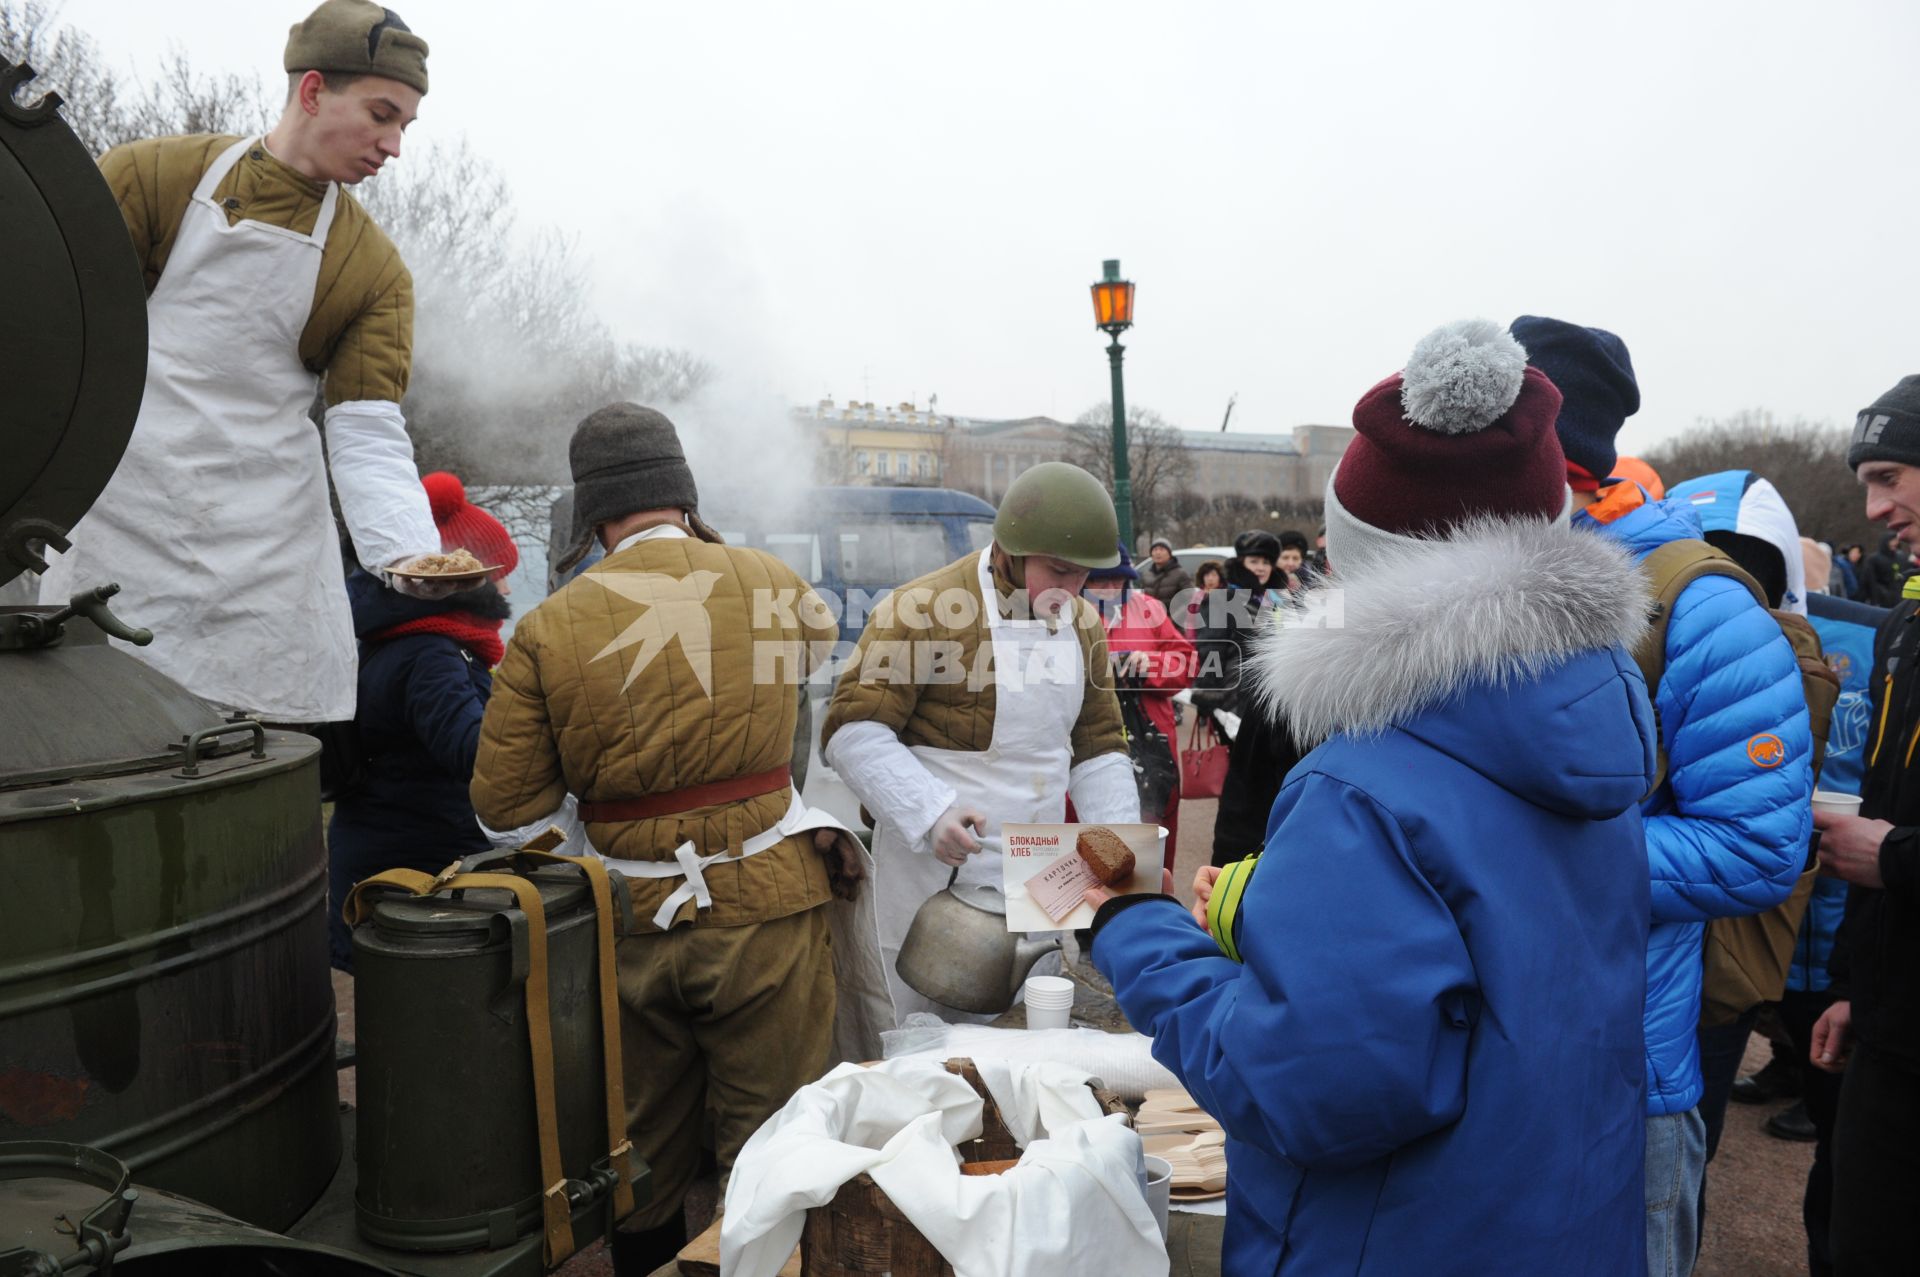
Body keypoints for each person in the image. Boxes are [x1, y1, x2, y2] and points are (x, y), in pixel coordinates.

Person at [1087, 319, 1654, 1276]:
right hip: (1560, 1223)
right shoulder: (1588, 723)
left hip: (1399, 1237)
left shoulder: (1366, 786)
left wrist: (1132, 929)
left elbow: (1305, 1091)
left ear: (1367, 561)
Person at [469, 404, 864, 1276]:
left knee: (635, 1149)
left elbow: (506, 813)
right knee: (778, 1143)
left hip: (632, 927)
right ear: (684, 495)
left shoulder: (544, 630)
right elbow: (815, 649)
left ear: (593, 517)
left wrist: (609, 854)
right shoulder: (770, 583)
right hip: (767, 911)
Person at [39, 1, 451, 728]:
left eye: (405, 127)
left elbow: (366, 430)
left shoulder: (374, 270)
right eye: (382, 115)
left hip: (262, 549)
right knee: (90, 728)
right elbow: (58, 338)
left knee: (236, 752)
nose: (393, 146)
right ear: (314, 89)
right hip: (122, 512)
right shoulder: (152, 178)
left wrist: (409, 554)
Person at [1514, 314, 1812, 1277]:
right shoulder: (1501, 582)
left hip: (1625, 1071)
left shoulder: (1704, 605)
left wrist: (1517, 859)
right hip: (1497, 1054)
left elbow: (1758, 846)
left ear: (1561, 463)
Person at [820, 461, 1141, 1021]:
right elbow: (852, 732)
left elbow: (1099, 751)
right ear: (1009, 551)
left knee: (1028, 1031)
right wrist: (929, 812)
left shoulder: (1084, 625)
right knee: (921, 1040)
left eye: (1083, 576)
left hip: (1041, 874)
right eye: (1059, 571)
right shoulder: (919, 611)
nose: (1072, 590)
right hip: (934, 874)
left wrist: (1123, 862)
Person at [1807, 374, 1920, 1276]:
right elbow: (1883, 800)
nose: (1878, 508)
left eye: (1891, 476)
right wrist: (1851, 985)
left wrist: (1901, 860)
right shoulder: (1904, 626)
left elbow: (1891, 842)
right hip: (1892, 1018)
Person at [327, 472, 517, 971]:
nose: (508, 585)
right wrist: (538, 711)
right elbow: (471, 752)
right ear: (464, 581)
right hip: (415, 873)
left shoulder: (399, 640)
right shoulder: (431, 653)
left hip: (389, 858)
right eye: (499, 573)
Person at [1075, 545, 1196, 871]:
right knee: (1088, 849)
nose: (1111, 588)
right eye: (1101, 581)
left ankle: (1150, 908)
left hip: (1151, 745)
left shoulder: (1150, 609)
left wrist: (1151, 664)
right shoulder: (1064, 614)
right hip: (1087, 745)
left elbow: (1187, 664)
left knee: (1150, 854)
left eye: (1118, 579)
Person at [1137, 536, 1192, 609]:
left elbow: (1189, 599)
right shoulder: (1146, 575)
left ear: (1169, 554)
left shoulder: (1180, 574)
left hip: (1172, 618)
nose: (1158, 553)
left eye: (1162, 549)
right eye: (1155, 550)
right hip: (1152, 618)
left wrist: (1174, 618)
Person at [1862, 532, 1902, 607]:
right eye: (1892, 541)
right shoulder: (1873, 559)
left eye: (1896, 541)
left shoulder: (1898, 557)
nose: (1895, 543)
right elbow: (1870, 580)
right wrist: (1876, 598)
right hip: (1881, 597)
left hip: (1896, 596)